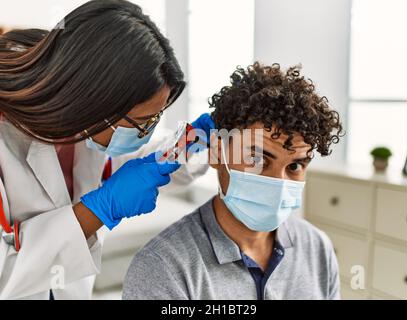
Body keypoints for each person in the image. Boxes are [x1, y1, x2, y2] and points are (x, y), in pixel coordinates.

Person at [0, 0, 214, 299]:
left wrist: (196, 142)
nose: (145, 134)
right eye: (142, 123)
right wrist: (100, 209)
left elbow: (142, 164)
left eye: (155, 120)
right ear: (93, 99)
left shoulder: (85, 126)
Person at [123, 63, 344, 300]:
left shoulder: (317, 248)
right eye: (257, 159)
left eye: (294, 166)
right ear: (217, 153)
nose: (277, 183)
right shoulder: (163, 269)